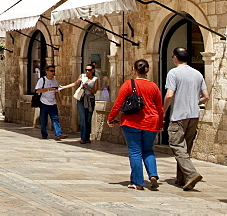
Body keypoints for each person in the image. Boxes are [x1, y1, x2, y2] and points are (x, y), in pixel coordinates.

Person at [107, 59, 164, 190]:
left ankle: (138, 182)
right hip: (151, 121)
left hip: (132, 122)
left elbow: (118, 103)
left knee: (135, 151)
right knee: (148, 150)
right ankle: (153, 175)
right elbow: (159, 108)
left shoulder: (128, 84)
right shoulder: (154, 86)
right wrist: (160, 124)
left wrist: (110, 119)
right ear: (147, 70)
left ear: (134, 70)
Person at [163, 47, 210, 191]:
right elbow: (206, 97)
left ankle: (191, 174)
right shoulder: (197, 74)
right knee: (186, 148)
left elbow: (170, 95)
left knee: (177, 145)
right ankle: (181, 178)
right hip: (194, 115)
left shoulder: (173, 73)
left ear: (176, 57)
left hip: (179, 115)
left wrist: (163, 111)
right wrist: (194, 102)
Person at [60, 64, 99, 144]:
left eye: (89, 70)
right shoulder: (82, 76)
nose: (87, 71)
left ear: (93, 70)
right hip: (81, 99)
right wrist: (64, 87)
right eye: (86, 69)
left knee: (88, 119)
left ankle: (87, 137)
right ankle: (83, 138)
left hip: (90, 99)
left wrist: (87, 87)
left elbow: (95, 91)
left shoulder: (95, 79)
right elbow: (74, 84)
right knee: (83, 118)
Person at [35, 65, 65, 140]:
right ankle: (44, 134)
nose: (53, 73)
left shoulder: (55, 81)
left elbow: (56, 93)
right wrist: (48, 89)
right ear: (46, 71)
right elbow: (38, 90)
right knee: (43, 120)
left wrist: (59, 103)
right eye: (51, 71)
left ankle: (58, 134)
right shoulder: (42, 80)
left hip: (53, 103)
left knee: (55, 118)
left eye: (54, 71)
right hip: (44, 102)